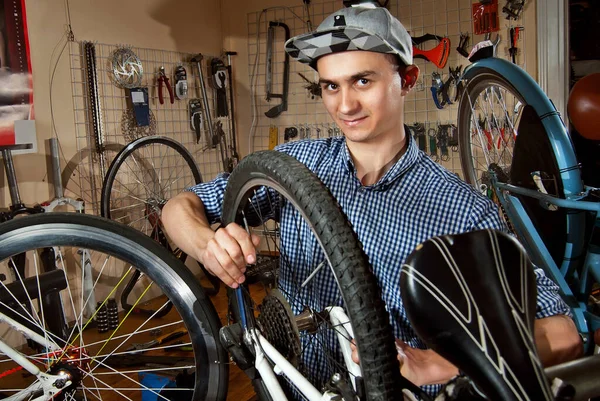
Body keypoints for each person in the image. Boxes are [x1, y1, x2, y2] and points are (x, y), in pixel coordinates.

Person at [162, 4, 582, 396]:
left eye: (363, 81)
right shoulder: (298, 165)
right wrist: (206, 244)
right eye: (330, 86)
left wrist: (438, 362)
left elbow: (563, 334)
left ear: (408, 80)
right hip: (288, 387)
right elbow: (178, 208)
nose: (344, 105)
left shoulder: (461, 209)